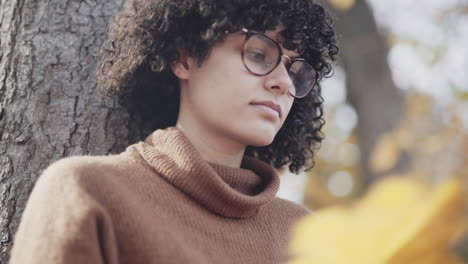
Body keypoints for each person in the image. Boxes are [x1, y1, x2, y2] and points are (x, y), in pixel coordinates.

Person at [9, 0, 338, 263]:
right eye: (257, 54)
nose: (282, 82)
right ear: (184, 58)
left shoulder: (311, 238)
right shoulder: (87, 192)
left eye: (295, 70)